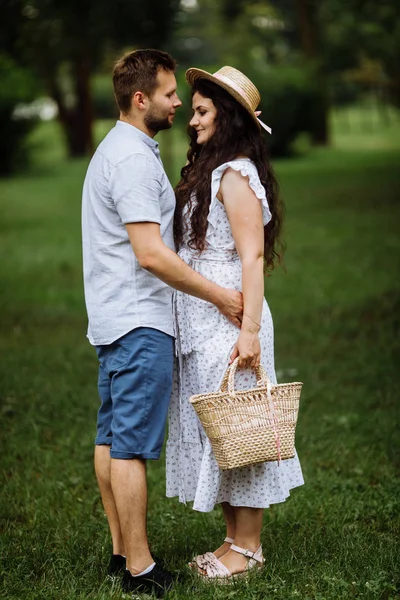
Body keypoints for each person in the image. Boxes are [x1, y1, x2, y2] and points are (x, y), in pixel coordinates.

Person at [81, 50, 243, 597]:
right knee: (128, 446)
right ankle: (141, 568)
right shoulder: (130, 159)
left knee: (110, 438)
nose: (179, 103)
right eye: (172, 94)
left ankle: (122, 550)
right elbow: (150, 253)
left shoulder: (123, 149)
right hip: (138, 320)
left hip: (114, 318)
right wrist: (221, 295)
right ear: (141, 98)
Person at [166, 66, 304, 581]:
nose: (192, 120)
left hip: (231, 320)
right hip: (204, 319)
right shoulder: (211, 170)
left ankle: (248, 550)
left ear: (227, 119)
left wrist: (248, 331)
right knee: (221, 433)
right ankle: (231, 541)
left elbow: (251, 258)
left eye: (201, 111)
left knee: (241, 427)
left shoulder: (237, 174)